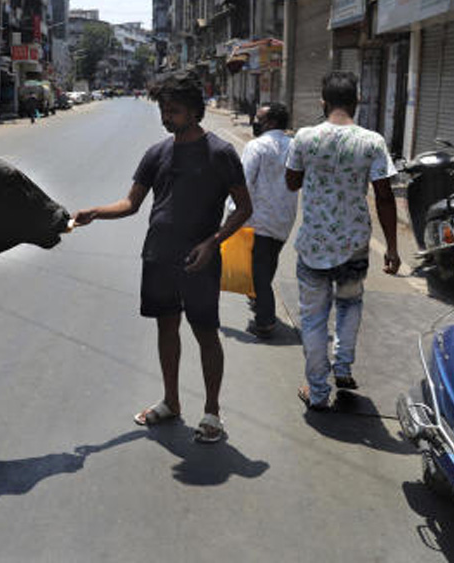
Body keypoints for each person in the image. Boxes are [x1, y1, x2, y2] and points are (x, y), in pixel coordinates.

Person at [73, 71, 252, 443]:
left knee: (205, 333)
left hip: (199, 260)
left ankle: (212, 413)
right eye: (163, 110)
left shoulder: (220, 153)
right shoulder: (156, 153)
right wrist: (95, 212)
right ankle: (171, 401)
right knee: (166, 329)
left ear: (194, 110)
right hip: (158, 256)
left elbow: (244, 207)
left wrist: (213, 243)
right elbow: (130, 204)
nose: (166, 117)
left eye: (173, 111)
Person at [286, 71, 401, 411]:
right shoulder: (372, 141)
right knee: (350, 304)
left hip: (313, 245)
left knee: (313, 319)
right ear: (357, 101)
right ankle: (343, 366)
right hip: (354, 245)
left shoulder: (305, 137)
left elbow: (292, 182)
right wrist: (392, 247)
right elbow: (384, 197)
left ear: (323, 102)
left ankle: (318, 392)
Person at [241, 102, 297, 339]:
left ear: (271, 122)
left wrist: (234, 214)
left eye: (259, 118)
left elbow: (244, 182)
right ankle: (257, 300)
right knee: (268, 263)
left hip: (260, 218)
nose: (255, 121)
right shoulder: (294, 146)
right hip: (284, 219)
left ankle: (265, 321)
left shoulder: (256, 146)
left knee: (259, 273)